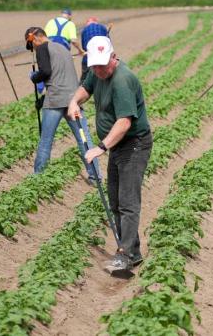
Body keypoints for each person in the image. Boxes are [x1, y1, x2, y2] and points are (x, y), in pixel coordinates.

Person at [67, 36, 152, 272]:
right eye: (95, 66)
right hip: (117, 145)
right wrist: (75, 101)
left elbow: (124, 123)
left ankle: (125, 254)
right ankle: (132, 251)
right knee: (115, 200)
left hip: (133, 144)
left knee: (127, 201)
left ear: (114, 57)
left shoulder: (122, 80)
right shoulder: (97, 70)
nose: (99, 70)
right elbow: (86, 88)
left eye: (103, 65)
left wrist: (101, 147)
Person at [24, 27, 101, 179]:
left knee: (46, 140)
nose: (33, 48)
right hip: (73, 100)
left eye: (31, 44)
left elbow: (45, 72)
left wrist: (34, 77)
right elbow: (59, 75)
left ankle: (39, 177)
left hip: (55, 101)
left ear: (36, 38)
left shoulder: (41, 48)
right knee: (84, 139)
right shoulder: (63, 48)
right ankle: (95, 177)